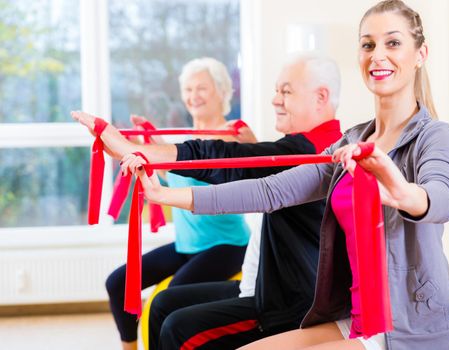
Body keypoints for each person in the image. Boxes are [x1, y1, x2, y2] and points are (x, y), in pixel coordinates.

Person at [123, 1, 449, 349]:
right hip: (357, 317)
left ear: (420, 54)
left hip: (413, 325)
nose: (378, 55)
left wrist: (402, 193)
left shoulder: (434, 136)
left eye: (393, 43)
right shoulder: (351, 142)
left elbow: (441, 198)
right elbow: (269, 191)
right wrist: (163, 195)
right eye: (368, 44)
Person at [73, 53, 343, 350]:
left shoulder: (314, 151)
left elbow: (229, 161)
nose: (275, 100)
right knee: (162, 304)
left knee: (178, 327)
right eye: (276, 90)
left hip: (286, 302)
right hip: (266, 283)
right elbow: (243, 163)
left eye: (286, 91)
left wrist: (141, 153)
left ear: (321, 97)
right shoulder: (310, 146)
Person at [104, 57, 255, 350]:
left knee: (164, 303)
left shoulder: (233, 136)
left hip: (227, 246)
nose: (193, 96)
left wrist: (251, 144)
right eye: (188, 89)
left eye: (202, 88)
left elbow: (256, 169)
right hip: (187, 245)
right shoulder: (181, 142)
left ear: (223, 91)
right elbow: (161, 172)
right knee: (118, 283)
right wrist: (143, 142)